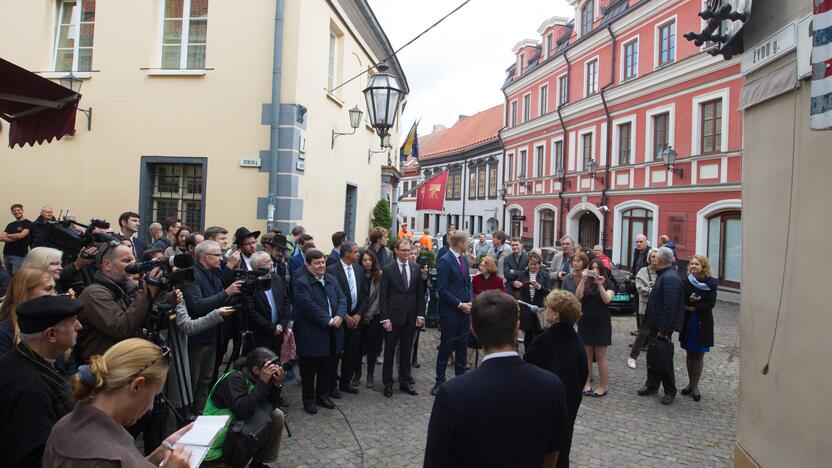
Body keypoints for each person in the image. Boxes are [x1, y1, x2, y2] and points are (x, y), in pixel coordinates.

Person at [424, 290, 568, 467]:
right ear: (517, 328)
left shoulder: (453, 393)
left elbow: (437, 460)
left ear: (474, 331)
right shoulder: (551, 385)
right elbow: (553, 452)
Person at [43, 338, 192, 467]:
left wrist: (160, 453)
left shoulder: (69, 425)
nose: (151, 407)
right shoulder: (102, 458)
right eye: (155, 395)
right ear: (136, 386)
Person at [0, 295, 82, 468]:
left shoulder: (30, 359)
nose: (79, 326)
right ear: (51, 334)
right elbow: (34, 459)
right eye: (73, 321)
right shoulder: (28, 390)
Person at [525, 290, 588, 468]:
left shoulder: (544, 340)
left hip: (546, 407)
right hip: (569, 403)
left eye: (548, 308)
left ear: (557, 314)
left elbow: (529, 372)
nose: (545, 311)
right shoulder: (577, 341)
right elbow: (583, 374)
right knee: (563, 448)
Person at [182, 240, 242, 412]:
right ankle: (187, 416)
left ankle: (200, 412)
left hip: (213, 335)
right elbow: (198, 305)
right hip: (198, 337)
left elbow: (219, 299)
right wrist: (227, 292)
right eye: (217, 255)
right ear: (203, 257)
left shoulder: (213, 273)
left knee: (206, 380)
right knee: (192, 382)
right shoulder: (192, 275)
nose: (221, 258)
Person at [202, 347, 286, 467]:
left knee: (277, 416)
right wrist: (263, 383)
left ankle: (258, 463)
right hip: (216, 444)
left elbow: (269, 407)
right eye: (269, 367)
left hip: (234, 429)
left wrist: (277, 384)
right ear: (256, 370)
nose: (272, 370)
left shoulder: (257, 378)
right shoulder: (234, 379)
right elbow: (243, 411)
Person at [75, 243, 158, 362]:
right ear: (107, 265)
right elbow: (120, 328)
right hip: (102, 369)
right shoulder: (94, 293)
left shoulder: (122, 289)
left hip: (120, 363)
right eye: (127, 260)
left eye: (134, 259)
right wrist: (145, 294)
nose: (133, 265)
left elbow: (138, 319)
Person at [292, 249, 347, 414]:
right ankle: (308, 400)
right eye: (317, 263)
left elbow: (342, 299)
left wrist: (339, 315)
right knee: (309, 371)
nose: (321, 265)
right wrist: (329, 320)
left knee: (327, 368)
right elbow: (308, 306)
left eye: (323, 262)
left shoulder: (332, 279)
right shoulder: (302, 283)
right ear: (308, 265)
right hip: (312, 334)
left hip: (333, 333)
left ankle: (322, 396)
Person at [637, 246, 685, 405]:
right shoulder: (664, 275)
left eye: (656, 257)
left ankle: (670, 390)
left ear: (660, 260)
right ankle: (652, 385)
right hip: (655, 324)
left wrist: (664, 331)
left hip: (662, 327)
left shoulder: (670, 278)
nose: (653, 259)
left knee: (663, 358)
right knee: (653, 356)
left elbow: (669, 307)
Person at [379, 238, 425, 397]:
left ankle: (405, 381)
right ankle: (388, 383)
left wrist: (420, 314)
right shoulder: (388, 270)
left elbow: (420, 294)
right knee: (389, 352)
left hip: (411, 317)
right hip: (392, 318)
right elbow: (383, 296)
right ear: (396, 251)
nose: (406, 253)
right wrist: (385, 318)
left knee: (406, 351)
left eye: (408, 250)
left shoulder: (415, 268)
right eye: (403, 250)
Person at [431, 230, 473, 396]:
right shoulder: (445, 260)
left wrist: (469, 300)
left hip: (464, 311)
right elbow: (442, 290)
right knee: (446, 347)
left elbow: (467, 283)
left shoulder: (463, 259)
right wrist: (459, 304)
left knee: (462, 348)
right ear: (459, 243)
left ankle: (460, 380)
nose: (468, 244)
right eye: (467, 241)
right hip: (450, 313)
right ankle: (439, 382)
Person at [326, 241, 365, 395]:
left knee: (352, 353)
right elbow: (331, 297)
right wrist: (345, 316)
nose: (358, 254)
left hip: (356, 320)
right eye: (355, 252)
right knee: (335, 354)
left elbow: (365, 295)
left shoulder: (359, 270)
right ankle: (332, 385)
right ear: (347, 253)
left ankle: (346, 383)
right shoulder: (332, 270)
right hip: (339, 319)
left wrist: (358, 315)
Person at [575, 258, 616, 398]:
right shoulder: (586, 282)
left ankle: (603, 386)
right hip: (585, 322)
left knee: (600, 357)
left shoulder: (608, 283)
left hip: (601, 323)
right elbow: (578, 296)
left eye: (597, 268)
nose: (595, 270)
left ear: (601, 269)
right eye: (592, 267)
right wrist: (582, 279)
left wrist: (600, 285)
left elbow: (607, 299)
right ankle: (586, 383)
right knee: (586, 356)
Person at [680, 255, 718, 402]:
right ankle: (690, 383)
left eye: (697, 264)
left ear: (703, 266)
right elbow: (681, 299)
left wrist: (694, 307)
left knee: (699, 355)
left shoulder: (711, 283)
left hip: (703, 322)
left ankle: (695, 385)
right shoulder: (686, 282)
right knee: (690, 353)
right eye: (692, 264)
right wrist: (688, 301)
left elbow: (711, 304)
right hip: (689, 322)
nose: (694, 266)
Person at [0, 269, 58, 353]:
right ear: (25, 292)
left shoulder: (51, 320)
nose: (54, 295)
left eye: (54, 289)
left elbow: (67, 361)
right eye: (48, 289)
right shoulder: (5, 333)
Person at [247, 252, 291, 351]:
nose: (271, 263)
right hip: (260, 336)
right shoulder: (250, 284)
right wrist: (271, 328)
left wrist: (281, 325)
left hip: (279, 332)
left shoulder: (276, 278)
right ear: (258, 267)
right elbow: (251, 312)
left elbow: (286, 302)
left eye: (270, 260)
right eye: (267, 261)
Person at [513, 251, 550, 348]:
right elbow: (514, 287)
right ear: (528, 264)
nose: (533, 267)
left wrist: (539, 287)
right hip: (526, 308)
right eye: (531, 264)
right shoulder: (523, 275)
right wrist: (516, 284)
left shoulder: (545, 275)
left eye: (535, 264)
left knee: (539, 333)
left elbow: (548, 292)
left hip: (539, 308)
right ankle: (527, 355)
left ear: (539, 264)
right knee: (528, 335)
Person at [629, 249, 659, 369]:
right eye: (653, 257)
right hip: (645, 307)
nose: (655, 259)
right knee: (643, 333)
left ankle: (654, 358)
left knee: (656, 335)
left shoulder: (663, 272)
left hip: (658, 308)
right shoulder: (643, 271)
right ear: (649, 259)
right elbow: (640, 288)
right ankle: (632, 356)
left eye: (657, 257)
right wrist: (652, 290)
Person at [359, 250, 382, 388]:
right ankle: (356, 373)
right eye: (364, 260)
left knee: (372, 346)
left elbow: (378, 298)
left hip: (374, 316)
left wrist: (369, 315)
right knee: (358, 346)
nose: (367, 262)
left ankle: (370, 373)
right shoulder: (358, 274)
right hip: (358, 316)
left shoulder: (379, 276)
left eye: (370, 260)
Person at [1, 203, 32, 275]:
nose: (16, 212)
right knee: (8, 278)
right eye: (14, 211)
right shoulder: (10, 224)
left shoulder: (28, 223)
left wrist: (8, 236)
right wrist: (16, 237)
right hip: (7, 255)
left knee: (18, 278)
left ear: (22, 211)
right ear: (12, 212)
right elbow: (1, 237)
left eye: (18, 210)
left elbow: (21, 236)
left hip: (19, 256)